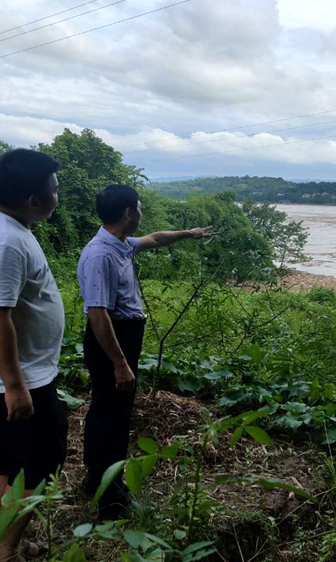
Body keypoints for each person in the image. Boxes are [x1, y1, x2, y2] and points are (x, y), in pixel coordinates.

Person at [0, 149, 67, 562]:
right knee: (43, 465)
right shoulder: (3, 240)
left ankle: (4, 542)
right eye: (55, 190)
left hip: (2, 378)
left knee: (1, 459)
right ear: (34, 200)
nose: (59, 196)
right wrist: (15, 388)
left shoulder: (5, 223)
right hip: (13, 381)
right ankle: (4, 551)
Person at [77, 184, 213, 518]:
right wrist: (120, 363)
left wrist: (188, 233)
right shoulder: (101, 255)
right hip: (112, 341)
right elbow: (98, 315)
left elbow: (155, 238)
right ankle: (111, 499)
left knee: (104, 409)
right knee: (114, 418)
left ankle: (95, 479)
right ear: (128, 213)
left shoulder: (120, 244)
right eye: (138, 208)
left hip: (119, 339)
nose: (141, 214)